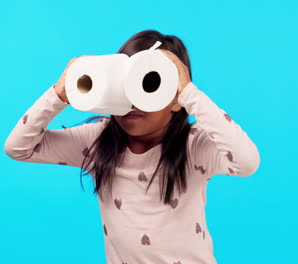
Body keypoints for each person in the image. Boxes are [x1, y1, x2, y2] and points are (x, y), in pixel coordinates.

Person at [4, 29, 260, 264]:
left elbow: (246, 161)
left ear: (175, 99)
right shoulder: (97, 141)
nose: (132, 102)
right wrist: (59, 93)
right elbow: (18, 147)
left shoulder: (194, 145)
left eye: (148, 85)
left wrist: (189, 94)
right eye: (123, 87)